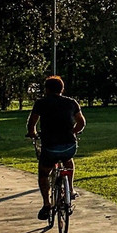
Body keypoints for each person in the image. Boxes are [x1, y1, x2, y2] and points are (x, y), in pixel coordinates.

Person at [26, 75, 86, 221]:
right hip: (69, 146)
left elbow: (32, 123)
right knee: (68, 160)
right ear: (62, 89)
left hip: (50, 147)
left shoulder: (41, 103)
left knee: (44, 173)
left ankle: (47, 204)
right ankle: (70, 189)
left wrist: (33, 134)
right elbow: (81, 122)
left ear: (46, 89)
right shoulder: (71, 103)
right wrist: (73, 131)